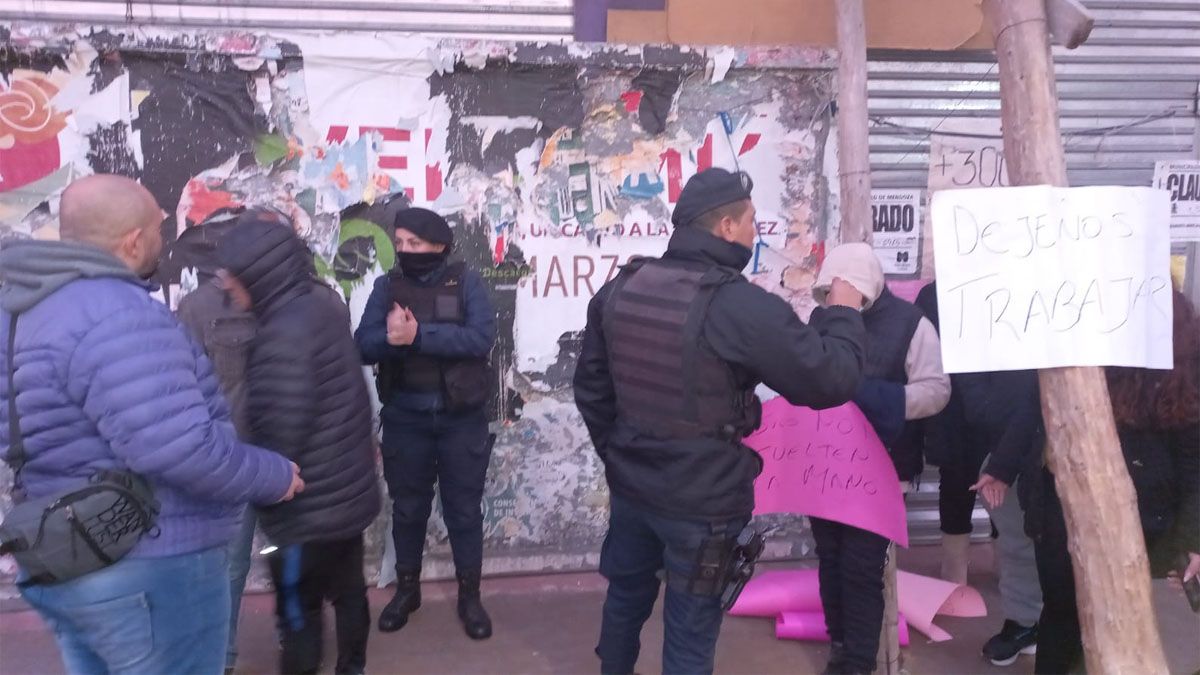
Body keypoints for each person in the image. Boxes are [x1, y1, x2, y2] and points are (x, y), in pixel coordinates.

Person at [0, 174, 303, 674]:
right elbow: (177, 449)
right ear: (134, 241)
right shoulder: (119, 315)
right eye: (159, 230)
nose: (164, 241)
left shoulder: (23, 310)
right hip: (147, 559)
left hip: (62, 553)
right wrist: (273, 475)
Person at [573, 168, 867, 675]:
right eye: (752, 220)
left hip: (634, 489)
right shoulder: (739, 305)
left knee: (623, 603)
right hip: (702, 504)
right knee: (688, 639)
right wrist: (842, 313)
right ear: (727, 228)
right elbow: (831, 379)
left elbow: (591, 388)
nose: (758, 232)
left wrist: (622, 452)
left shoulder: (624, 286)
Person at [216, 215, 381, 675]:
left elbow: (279, 437)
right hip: (344, 498)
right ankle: (352, 668)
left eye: (230, 276)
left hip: (301, 513)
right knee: (350, 592)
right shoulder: (319, 309)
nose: (225, 287)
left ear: (257, 274)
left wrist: (243, 472)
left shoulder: (280, 336)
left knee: (298, 614)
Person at [1021, 289, 1200, 674]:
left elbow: (1194, 465)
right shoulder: (1082, 356)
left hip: (1144, 526)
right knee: (1063, 616)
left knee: (1126, 623)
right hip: (1062, 514)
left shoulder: (1182, 369)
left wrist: (1190, 539)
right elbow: (1032, 423)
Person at [355, 207, 498, 640]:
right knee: (409, 508)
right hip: (405, 416)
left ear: (439, 245)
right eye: (400, 243)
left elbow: (481, 338)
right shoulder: (386, 287)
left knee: (463, 512)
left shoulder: (468, 282)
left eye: (414, 243)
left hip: (460, 418)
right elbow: (363, 344)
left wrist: (419, 337)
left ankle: (470, 597)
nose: (405, 251)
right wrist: (395, 341)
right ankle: (408, 590)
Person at [810, 243, 950, 675]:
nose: (835, 297)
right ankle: (840, 644)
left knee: (861, 567)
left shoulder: (912, 325)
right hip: (826, 466)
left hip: (882, 468)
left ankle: (858, 663)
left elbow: (937, 390)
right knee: (830, 558)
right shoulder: (820, 321)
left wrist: (879, 399)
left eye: (843, 287)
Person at [916, 282, 1044, 667]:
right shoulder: (936, 294)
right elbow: (928, 352)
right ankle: (957, 574)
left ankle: (1024, 602)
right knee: (961, 483)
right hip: (958, 407)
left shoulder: (1031, 284)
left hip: (1020, 413)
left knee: (1020, 513)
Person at [174, 206, 259, 674]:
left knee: (301, 559)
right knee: (229, 567)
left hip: (293, 453)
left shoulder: (297, 299)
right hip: (235, 460)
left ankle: (300, 645)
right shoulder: (199, 307)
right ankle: (221, 660)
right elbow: (185, 391)